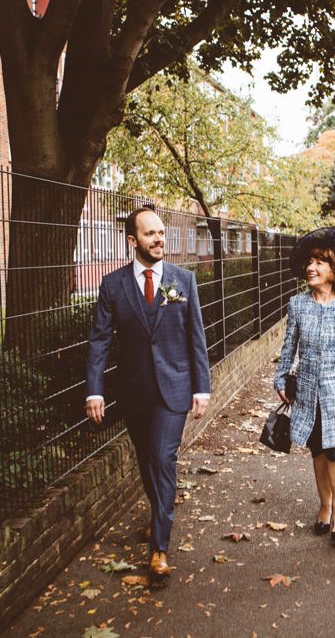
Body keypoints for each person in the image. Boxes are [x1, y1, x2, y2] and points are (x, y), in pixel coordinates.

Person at [85, 208, 210, 581]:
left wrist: (202, 388)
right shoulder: (113, 285)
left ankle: (159, 548)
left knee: (163, 457)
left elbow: (196, 339)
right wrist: (94, 391)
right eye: (150, 234)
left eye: (161, 232)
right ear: (132, 241)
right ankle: (159, 513)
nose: (159, 239)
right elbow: (99, 342)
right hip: (135, 392)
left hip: (175, 387)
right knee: (145, 458)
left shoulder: (183, 281)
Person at [274, 227, 335, 547]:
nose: (311, 268)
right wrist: (281, 376)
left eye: (319, 262)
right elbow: (288, 347)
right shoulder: (298, 304)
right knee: (318, 450)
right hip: (308, 388)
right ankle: (324, 505)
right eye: (310, 262)